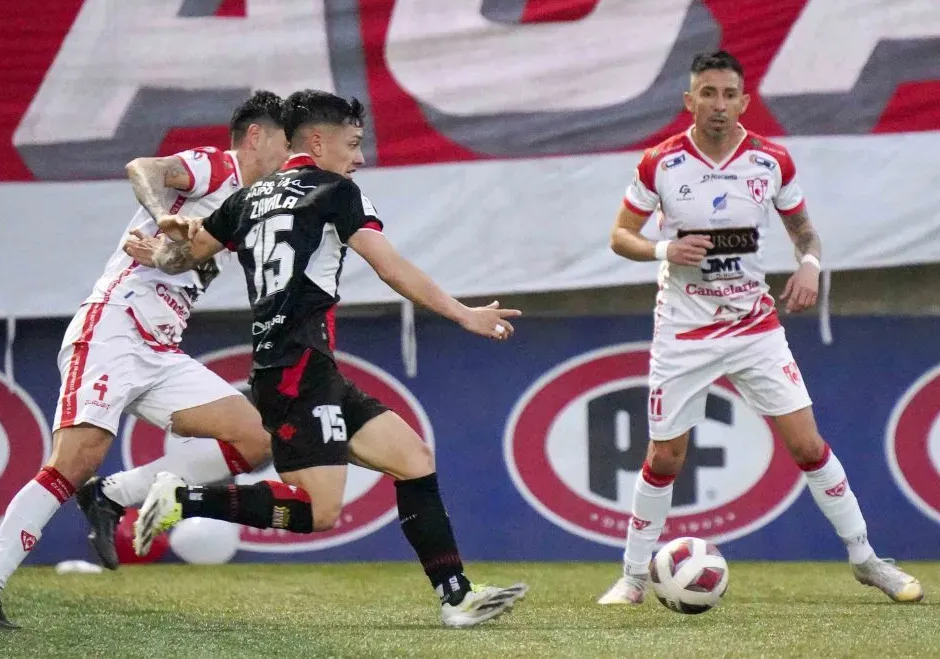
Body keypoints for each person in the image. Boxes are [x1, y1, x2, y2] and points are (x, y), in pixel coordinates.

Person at [132, 89, 528, 627]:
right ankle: (185, 496)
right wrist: (464, 314)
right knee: (319, 512)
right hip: (299, 371)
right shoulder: (335, 191)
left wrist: (155, 249)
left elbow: (181, 258)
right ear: (317, 141)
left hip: (301, 367)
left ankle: (455, 597)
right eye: (353, 143)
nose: (359, 158)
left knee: (414, 460)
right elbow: (390, 266)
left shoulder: (245, 199)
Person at [0, 91, 290, 630]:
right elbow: (143, 167)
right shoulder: (216, 166)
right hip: (114, 327)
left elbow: (194, 261)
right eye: (284, 142)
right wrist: (160, 219)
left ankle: (112, 495)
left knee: (258, 438)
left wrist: (170, 251)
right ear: (257, 137)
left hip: (161, 349)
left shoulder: (247, 210)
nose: (288, 156)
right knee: (75, 459)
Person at [597, 51, 923, 605]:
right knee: (665, 458)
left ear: (743, 102)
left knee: (806, 445)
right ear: (689, 100)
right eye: (708, 94)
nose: (718, 105)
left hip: (755, 326)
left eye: (728, 95)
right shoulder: (661, 163)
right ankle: (631, 576)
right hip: (683, 331)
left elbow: (805, 232)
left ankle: (867, 560)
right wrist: (663, 248)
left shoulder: (770, 161)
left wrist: (810, 267)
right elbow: (619, 235)